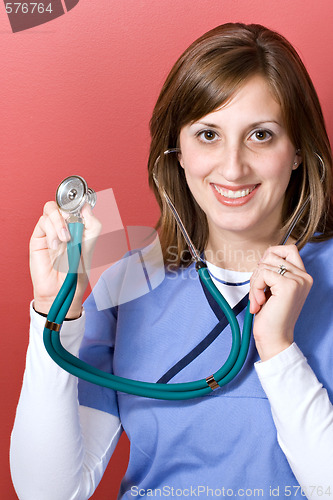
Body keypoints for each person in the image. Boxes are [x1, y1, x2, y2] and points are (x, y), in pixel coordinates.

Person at [10, 22, 333, 499]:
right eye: (207, 135)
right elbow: (47, 492)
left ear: (299, 152)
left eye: (260, 135)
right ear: (177, 152)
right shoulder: (127, 281)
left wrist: (279, 349)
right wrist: (55, 309)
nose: (232, 167)